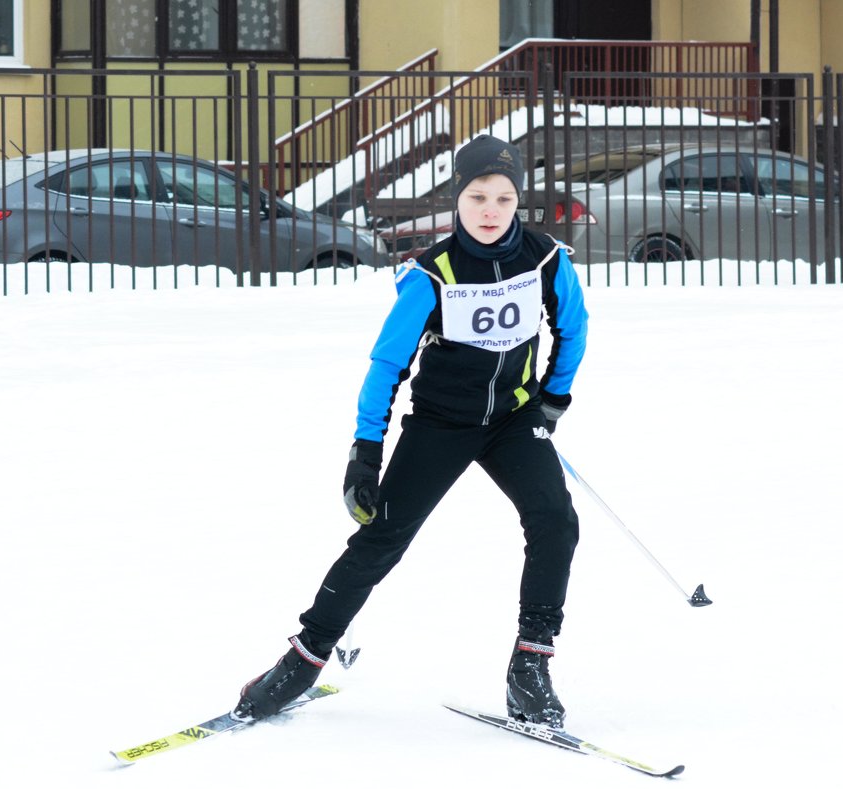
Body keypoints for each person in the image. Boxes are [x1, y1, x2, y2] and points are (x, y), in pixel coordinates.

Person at [234, 135, 589, 729]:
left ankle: (531, 666)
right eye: (478, 196)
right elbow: (387, 366)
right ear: (458, 199)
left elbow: (572, 329)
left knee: (556, 521)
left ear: (517, 202)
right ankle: (303, 658)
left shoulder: (547, 259)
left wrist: (552, 398)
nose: (490, 210)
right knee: (382, 538)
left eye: (504, 198)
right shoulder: (433, 272)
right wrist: (364, 451)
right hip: (441, 425)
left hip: (513, 418)